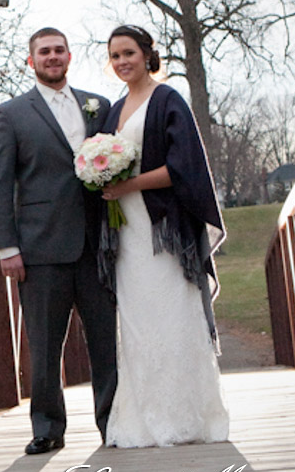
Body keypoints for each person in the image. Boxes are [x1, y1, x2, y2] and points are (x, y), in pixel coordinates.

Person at [0, 27, 119, 455]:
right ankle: (47, 428)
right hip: (39, 250)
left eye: (59, 50)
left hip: (97, 244)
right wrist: (7, 247)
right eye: (44, 52)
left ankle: (113, 424)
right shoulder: (12, 114)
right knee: (43, 347)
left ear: (70, 56)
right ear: (31, 61)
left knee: (105, 343)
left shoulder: (100, 107)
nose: (52, 57)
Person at [96, 24, 229, 448]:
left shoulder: (168, 100)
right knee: (136, 324)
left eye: (129, 53)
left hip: (164, 231)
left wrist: (129, 186)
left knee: (173, 315)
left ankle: (187, 417)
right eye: (115, 56)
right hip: (127, 234)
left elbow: (182, 168)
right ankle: (141, 418)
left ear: (147, 54)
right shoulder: (113, 110)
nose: (122, 62)